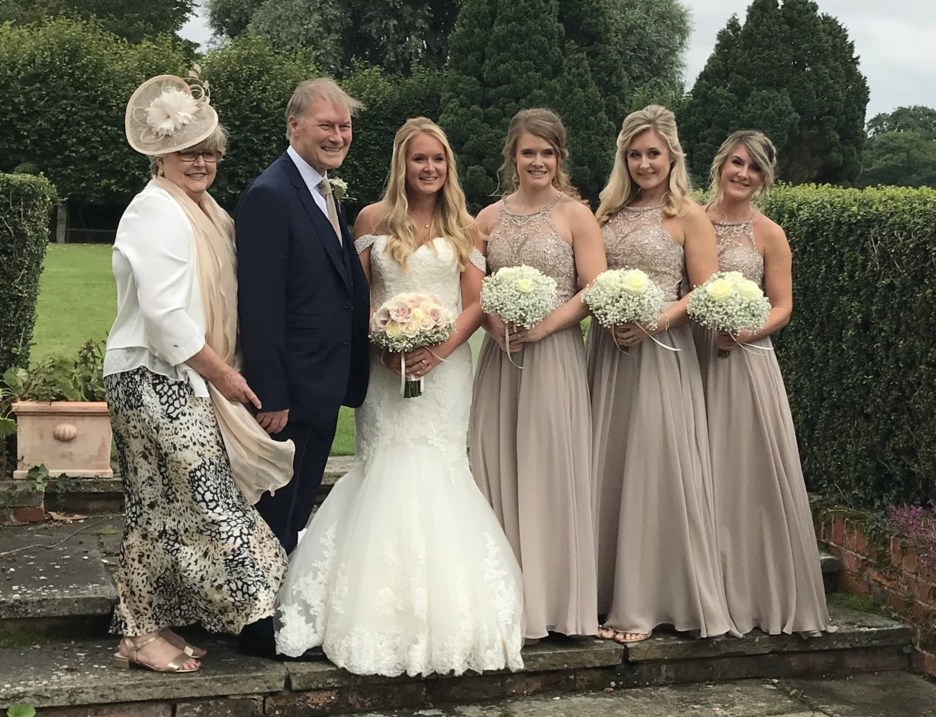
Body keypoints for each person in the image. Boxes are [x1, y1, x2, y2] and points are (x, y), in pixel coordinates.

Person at [274, 117, 525, 675]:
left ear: (448, 165)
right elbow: (354, 295)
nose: (429, 168)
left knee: (438, 468)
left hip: (447, 370)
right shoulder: (370, 219)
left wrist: (435, 352)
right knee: (382, 465)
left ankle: (448, 611)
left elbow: (475, 304)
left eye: (438, 159)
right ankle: (364, 604)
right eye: (419, 159)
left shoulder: (465, 226)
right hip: (384, 369)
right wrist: (382, 342)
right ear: (402, 164)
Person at [105, 72, 290, 672]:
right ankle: (270, 606)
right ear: (161, 153)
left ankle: (142, 631)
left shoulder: (203, 209)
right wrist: (226, 377)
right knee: (206, 496)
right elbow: (164, 317)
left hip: (174, 377)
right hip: (152, 376)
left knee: (156, 505)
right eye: (189, 151)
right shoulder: (154, 211)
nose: (202, 161)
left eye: (210, 150)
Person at [234, 78, 371, 656]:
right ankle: (257, 628)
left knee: (294, 508)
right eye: (326, 126)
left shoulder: (322, 191)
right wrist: (271, 394)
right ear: (294, 127)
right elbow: (261, 304)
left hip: (322, 380)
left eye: (343, 126)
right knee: (274, 509)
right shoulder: (271, 194)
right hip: (289, 388)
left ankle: (278, 611)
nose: (338, 135)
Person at [589, 104, 735, 644]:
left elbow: (706, 289)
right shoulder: (606, 213)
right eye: (634, 154)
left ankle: (648, 600)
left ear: (672, 156)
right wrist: (611, 315)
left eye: (653, 153)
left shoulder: (689, 216)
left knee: (654, 468)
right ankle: (600, 592)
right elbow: (590, 278)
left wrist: (655, 319)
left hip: (662, 354)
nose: (644, 163)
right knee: (607, 464)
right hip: (608, 353)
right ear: (623, 158)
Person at [469, 108, 605, 642]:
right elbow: (474, 286)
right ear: (513, 156)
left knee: (552, 468)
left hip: (555, 357)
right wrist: (497, 320)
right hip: (502, 358)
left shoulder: (576, 216)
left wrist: (545, 326)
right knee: (499, 464)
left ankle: (557, 603)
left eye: (547, 153)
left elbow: (594, 288)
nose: (538, 162)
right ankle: (502, 598)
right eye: (529, 152)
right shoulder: (486, 219)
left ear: (559, 157)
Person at [696, 130, 831, 636]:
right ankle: (695, 587)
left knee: (742, 472)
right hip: (690, 357)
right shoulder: (690, 219)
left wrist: (745, 330)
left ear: (765, 178)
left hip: (745, 360)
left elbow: (783, 305)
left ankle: (750, 590)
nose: (742, 174)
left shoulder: (768, 233)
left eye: (754, 168)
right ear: (720, 164)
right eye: (736, 162)